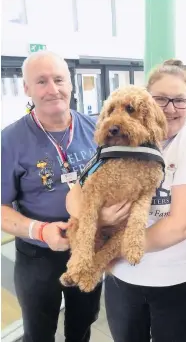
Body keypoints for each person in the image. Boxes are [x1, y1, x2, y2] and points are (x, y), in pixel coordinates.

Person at [66, 59, 186, 342]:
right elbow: (76, 196)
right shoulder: (114, 143)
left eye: (180, 101)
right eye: (161, 99)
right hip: (123, 280)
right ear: (146, 102)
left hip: (176, 277)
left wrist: (106, 254)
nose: (170, 109)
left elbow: (184, 225)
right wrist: (96, 219)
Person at [1, 51, 107, 342]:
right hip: (37, 256)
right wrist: (40, 230)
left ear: (71, 83)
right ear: (26, 89)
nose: (52, 89)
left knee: (83, 324)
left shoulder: (96, 130)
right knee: (38, 332)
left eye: (59, 79)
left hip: (88, 248)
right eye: (41, 81)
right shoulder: (10, 140)